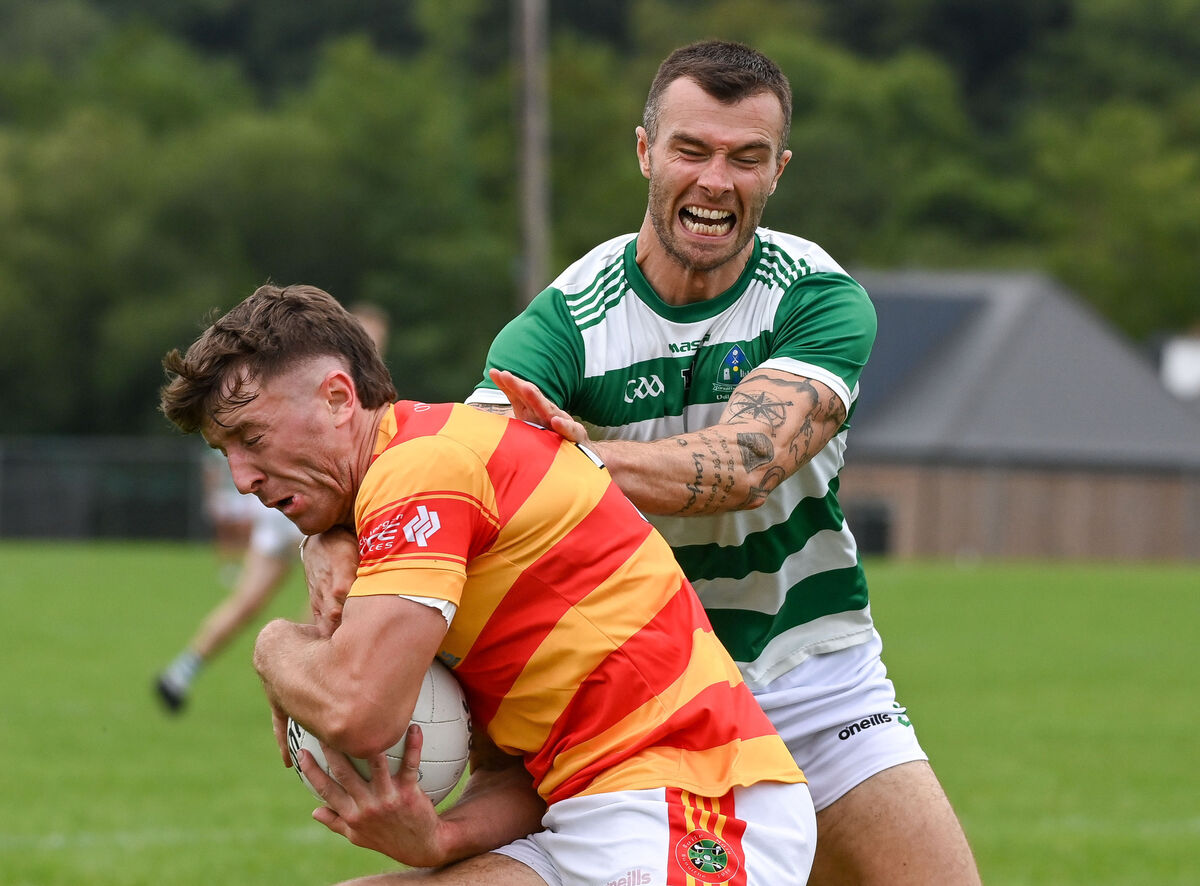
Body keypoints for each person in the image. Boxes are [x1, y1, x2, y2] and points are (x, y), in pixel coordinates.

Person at [463, 41, 981, 885]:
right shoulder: (563, 322)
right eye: (691, 150)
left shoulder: (814, 294)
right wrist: (327, 547)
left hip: (811, 672)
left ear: (778, 170)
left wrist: (570, 453)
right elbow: (464, 475)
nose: (715, 180)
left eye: (746, 158)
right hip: (637, 694)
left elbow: (743, 465)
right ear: (645, 152)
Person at [158, 283, 817, 885]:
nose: (242, 478)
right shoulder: (410, 480)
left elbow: (360, 712)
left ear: (337, 398)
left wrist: (272, 647)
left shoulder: (422, 472)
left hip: (695, 800)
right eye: (226, 454)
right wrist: (440, 839)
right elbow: (515, 772)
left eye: (251, 437)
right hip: (591, 808)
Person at [154, 301, 389, 714]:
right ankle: (315, 683)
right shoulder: (326, 388)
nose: (242, 481)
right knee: (324, 596)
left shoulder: (354, 393)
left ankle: (182, 671)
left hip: (291, 504)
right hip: (299, 501)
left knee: (264, 599)